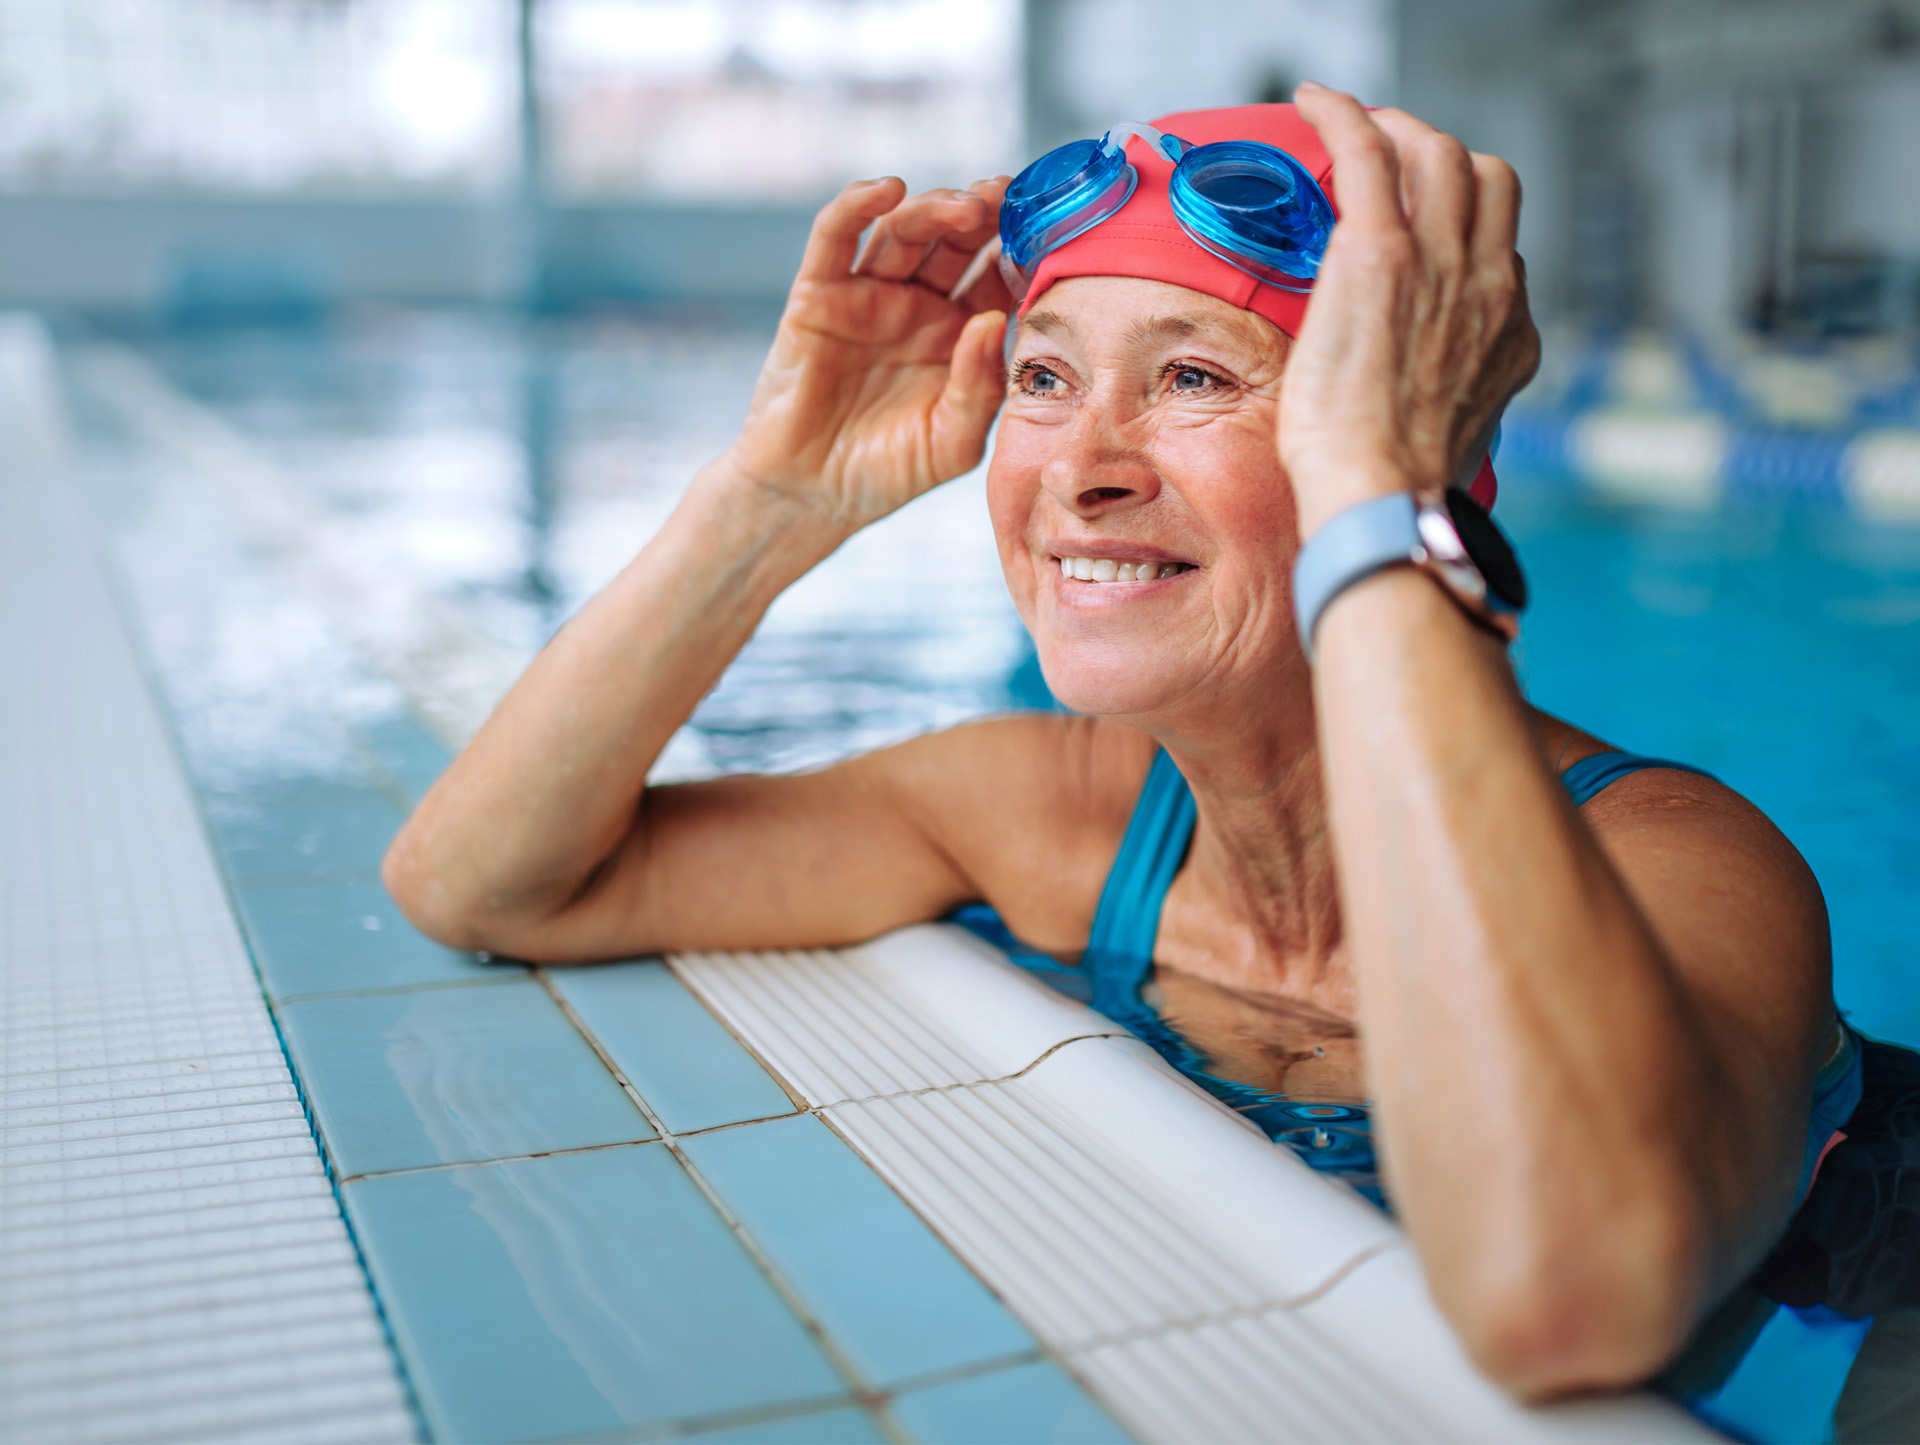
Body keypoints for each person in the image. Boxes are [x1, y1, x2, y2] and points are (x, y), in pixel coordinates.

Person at [383, 85, 1857, 1399]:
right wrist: (777, 498)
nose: (1081, 471)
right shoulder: (1054, 815)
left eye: (1198, 378)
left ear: (1411, 462)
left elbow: (1567, 1295)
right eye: (1045, 377)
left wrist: (1380, 505)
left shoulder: (1677, 865)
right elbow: (491, 882)